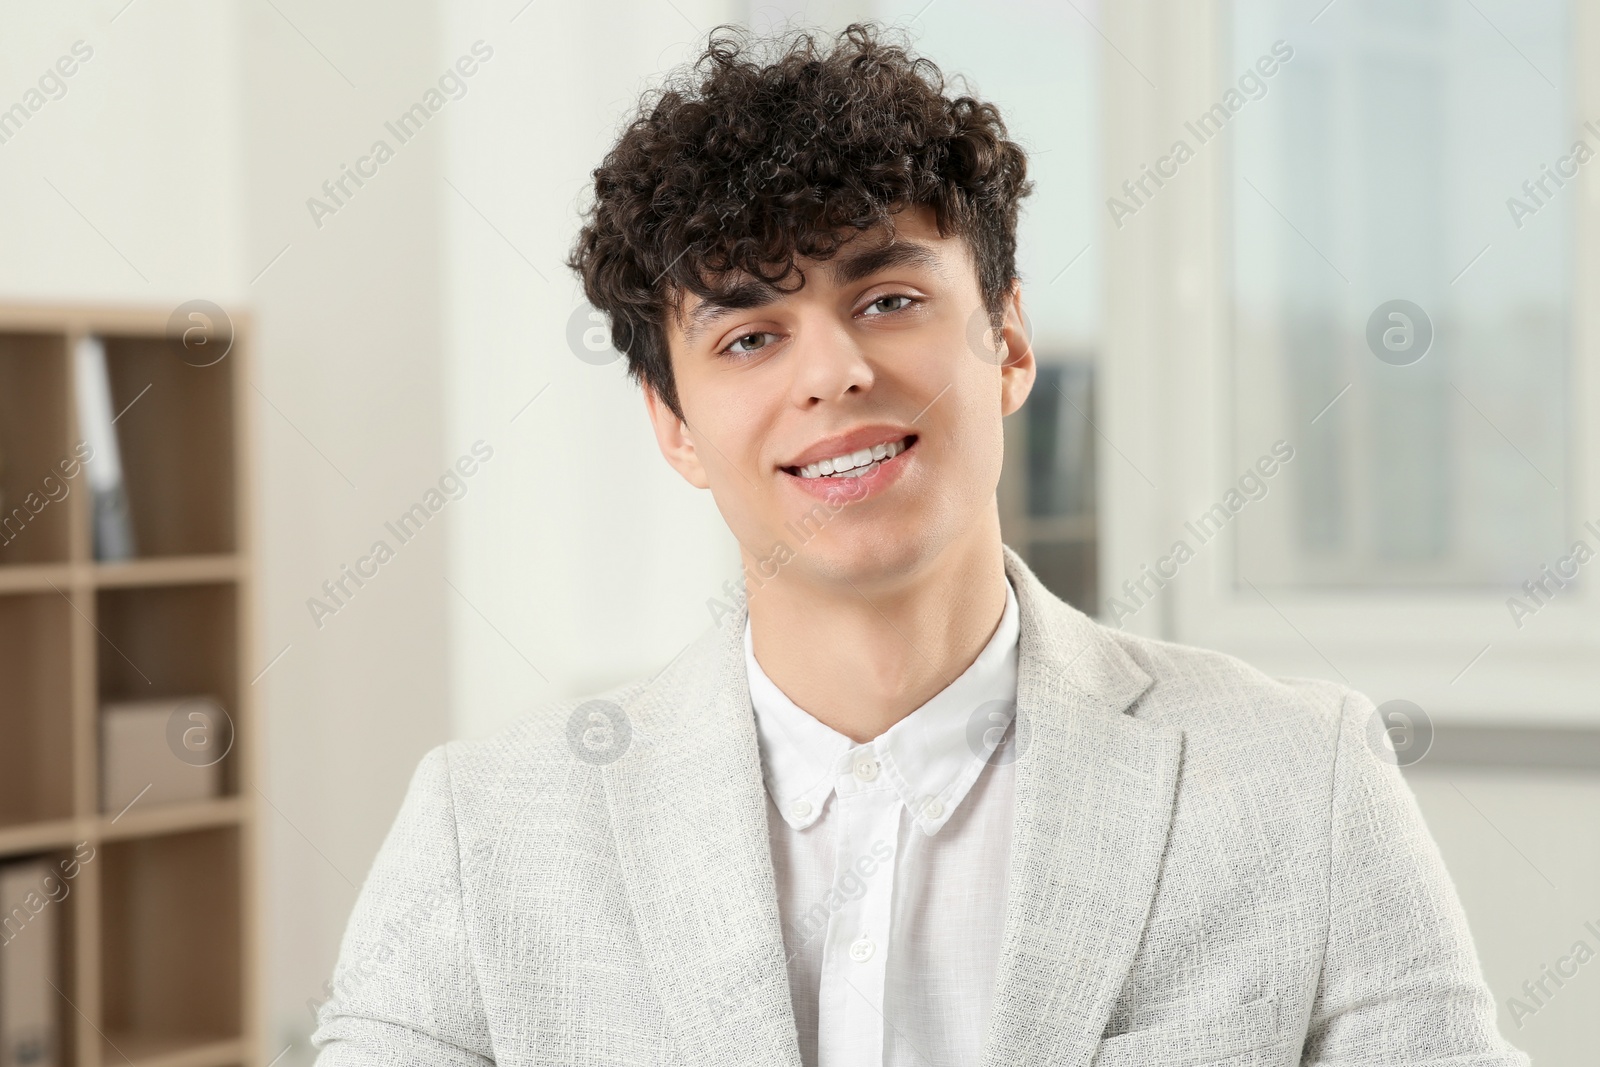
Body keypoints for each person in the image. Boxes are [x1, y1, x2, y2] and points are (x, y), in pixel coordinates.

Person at [312, 23, 1525, 1066]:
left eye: (887, 300)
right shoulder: (488, 832)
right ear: (673, 426)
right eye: (748, 338)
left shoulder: (1301, 781)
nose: (835, 372)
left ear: (1005, 343)